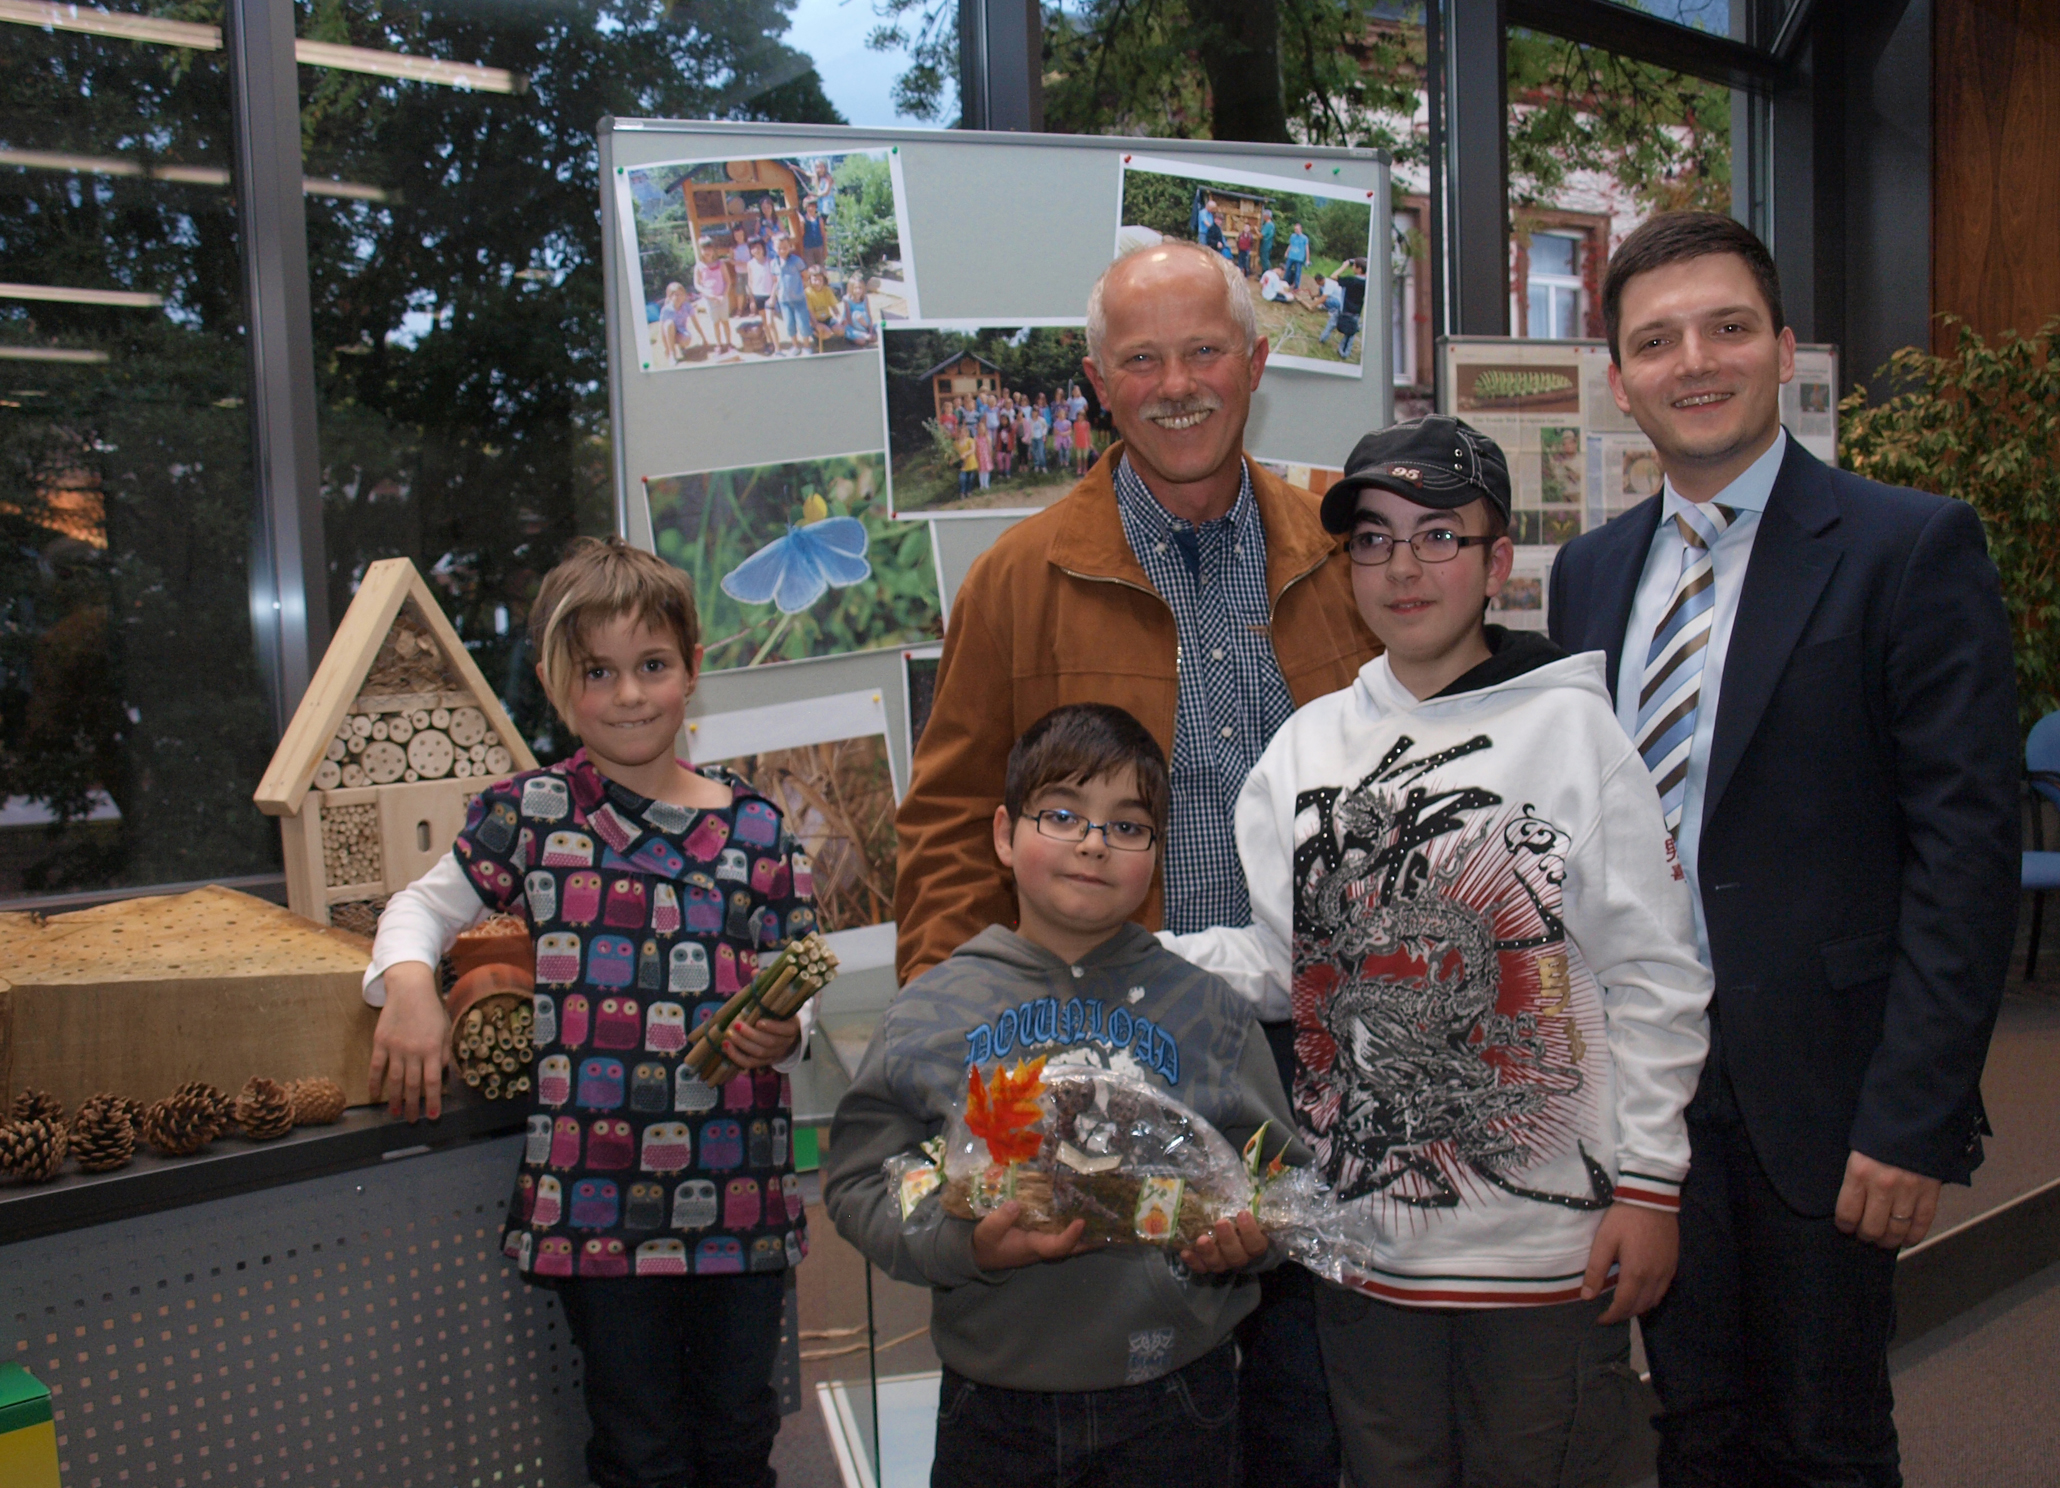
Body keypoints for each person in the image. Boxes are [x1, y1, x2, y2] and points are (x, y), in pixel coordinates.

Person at [894, 240, 1377, 1488]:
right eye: (1141, 359)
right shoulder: (1018, 577)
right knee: (1120, 1408)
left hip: (1319, 1056)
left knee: (1314, 1412)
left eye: (1203, 351)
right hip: (1106, 1064)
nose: (1177, 384)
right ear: (1098, 383)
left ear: (1256, 364)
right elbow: (949, 827)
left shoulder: (1342, 561)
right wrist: (968, 1076)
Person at [1547, 211, 2018, 1486]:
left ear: (1782, 350)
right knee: (1694, 1427)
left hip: (1825, 1095)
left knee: (1826, 1438)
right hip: (1648, 1091)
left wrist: (1911, 1118)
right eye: (1655, 340)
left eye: (1725, 327)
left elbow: (1964, 854)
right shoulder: (1586, 577)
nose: (1692, 360)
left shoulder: (1904, 546)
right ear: (1618, 378)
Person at [1168, 416, 1712, 1487]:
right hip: (1365, 1254)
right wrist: (1115, 963)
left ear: (1495, 560)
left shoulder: (1573, 735)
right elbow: (1286, 967)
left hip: (1544, 1256)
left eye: (1436, 536)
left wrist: (1650, 1185)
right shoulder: (1301, 751)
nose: (1401, 567)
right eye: (1371, 539)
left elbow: (1655, 976)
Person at [364, 536, 818, 1488]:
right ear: (555, 682)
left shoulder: (760, 829)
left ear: (693, 667)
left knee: (738, 1436)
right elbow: (419, 906)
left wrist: (787, 1031)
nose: (628, 694)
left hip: (740, 1194)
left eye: (652, 666)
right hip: (595, 1201)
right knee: (637, 1446)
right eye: (598, 673)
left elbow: (794, 989)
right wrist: (408, 985)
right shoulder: (530, 814)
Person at [827, 704, 1300, 1488]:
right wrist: (962, 1246)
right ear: (1005, 835)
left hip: (1176, 1394)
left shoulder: (1208, 1011)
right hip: (994, 1401)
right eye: (1063, 814)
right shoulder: (931, 1010)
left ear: (1158, 853)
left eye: (1128, 826)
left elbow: (1277, 1179)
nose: (1092, 842)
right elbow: (860, 1182)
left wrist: (1253, 1237)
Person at [691, 237, 735, 357]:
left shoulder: (720, 264)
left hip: (722, 298)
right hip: (710, 301)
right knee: (715, 323)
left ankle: (729, 343)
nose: (707, 252)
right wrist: (708, 294)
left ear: (713, 250)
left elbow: (728, 281)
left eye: (709, 248)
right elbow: (697, 284)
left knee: (725, 322)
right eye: (704, 249)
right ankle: (719, 344)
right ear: (700, 250)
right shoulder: (699, 267)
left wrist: (723, 295)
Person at [771, 233, 810, 356]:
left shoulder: (796, 261)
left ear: (790, 246)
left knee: (803, 323)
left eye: (785, 247)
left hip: (799, 299)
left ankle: (806, 346)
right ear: (774, 247)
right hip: (784, 300)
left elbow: (805, 275)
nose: (782, 251)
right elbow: (775, 281)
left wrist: (801, 288)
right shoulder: (773, 263)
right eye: (779, 248)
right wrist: (773, 296)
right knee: (789, 324)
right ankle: (795, 346)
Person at [743, 239, 779, 353]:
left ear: (763, 248)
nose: (756, 250)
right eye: (753, 248)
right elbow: (750, 282)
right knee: (764, 322)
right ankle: (769, 343)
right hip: (758, 295)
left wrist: (773, 296)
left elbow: (775, 281)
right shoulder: (750, 264)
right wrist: (752, 300)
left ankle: (777, 346)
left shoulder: (770, 262)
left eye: (758, 247)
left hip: (769, 296)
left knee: (770, 322)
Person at [654, 281, 700, 364]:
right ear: (670, 297)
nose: (678, 297)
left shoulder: (687, 306)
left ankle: (682, 347)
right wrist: (666, 348)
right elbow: (662, 330)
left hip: (680, 331)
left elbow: (695, 322)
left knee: (687, 339)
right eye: (675, 295)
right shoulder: (666, 310)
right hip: (669, 332)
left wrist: (704, 338)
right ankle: (672, 353)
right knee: (669, 324)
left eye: (680, 294)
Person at [804, 264, 840, 350]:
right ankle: (816, 337)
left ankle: (831, 340)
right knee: (826, 333)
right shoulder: (808, 293)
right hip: (815, 320)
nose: (818, 283)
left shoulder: (827, 290)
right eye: (815, 280)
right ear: (810, 280)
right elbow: (810, 311)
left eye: (820, 280)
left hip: (827, 318)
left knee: (840, 330)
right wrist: (816, 324)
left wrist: (839, 318)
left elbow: (834, 307)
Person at [840, 277, 877, 347]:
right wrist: (860, 333)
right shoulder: (847, 300)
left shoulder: (865, 298)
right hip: (852, 326)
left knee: (873, 338)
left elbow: (869, 315)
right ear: (851, 289)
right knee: (861, 341)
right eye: (856, 288)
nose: (858, 290)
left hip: (864, 324)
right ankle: (858, 337)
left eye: (860, 288)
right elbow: (849, 319)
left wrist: (870, 330)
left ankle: (867, 333)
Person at [799, 197, 827, 269]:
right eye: (809, 206)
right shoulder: (803, 220)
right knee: (811, 268)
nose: (811, 208)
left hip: (819, 246)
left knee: (821, 268)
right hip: (808, 248)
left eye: (812, 206)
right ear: (806, 207)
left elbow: (823, 234)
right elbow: (801, 235)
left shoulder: (819, 219)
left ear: (815, 207)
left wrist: (825, 249)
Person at [1284, 222, 1310, 290]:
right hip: (1291, 256)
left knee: (1298, 272)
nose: (1296, 230)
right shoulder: (1292, 236)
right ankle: (1285, 283)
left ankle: (1296, 286)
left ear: (1301, 229)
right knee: (1287, 269)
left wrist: (1307, 259)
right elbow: (1290, 245)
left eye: (1297, 229)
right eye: (1295, 229)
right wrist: (1287, 252)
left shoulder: (1304, 238)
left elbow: (1307, 249)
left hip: (1299, 258)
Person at [955, 425, 978, 498]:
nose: (962, 434)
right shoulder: (956, 443)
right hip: (963, 464)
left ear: (967, 433)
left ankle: (969, 491)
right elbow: (954, 453)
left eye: (964, 432)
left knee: (970, 478)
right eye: (961, 432)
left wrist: (965, 454)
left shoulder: (970, 440)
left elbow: (972, 450)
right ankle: (962, 492)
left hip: (971, 462)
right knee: (962, 479)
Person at [975, 422, 993, 491]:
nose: (981, 431)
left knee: (986, 471)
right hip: (979, 457)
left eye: (982, 429)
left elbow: (990, 448)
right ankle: (981, 485)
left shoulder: (987, 438)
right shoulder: (976, 438)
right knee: (981, 471)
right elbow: (976, 449)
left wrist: (990, 456)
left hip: (986, 457)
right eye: (980, 429)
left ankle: (986, 484)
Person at [1259, 206, 1276, 274]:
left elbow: (1261, 235)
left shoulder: (1268, 225)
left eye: (1264, 215)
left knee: (1264, 259)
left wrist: (1255, 230)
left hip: (1266, 244)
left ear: (1267, 216)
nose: (1263, 216)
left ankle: (1266, 273)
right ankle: (1265, 273)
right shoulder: (1272, 224)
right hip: (1269, 244)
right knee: (1265, 258)